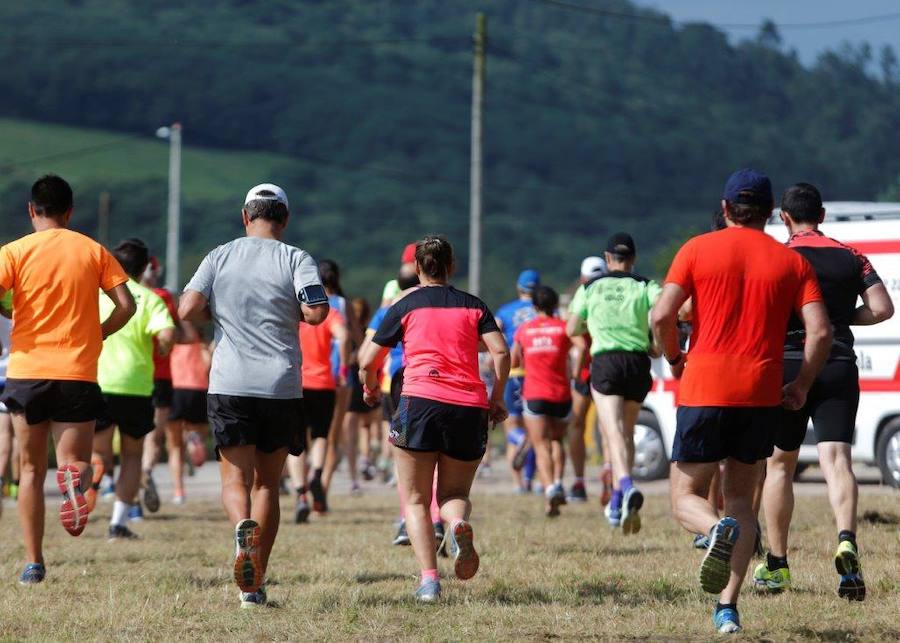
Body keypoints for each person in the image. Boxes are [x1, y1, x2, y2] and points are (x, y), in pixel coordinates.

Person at [651, 169, 832, 634]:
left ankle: (712, 532)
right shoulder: (791, 262)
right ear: (771, 213)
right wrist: (802, 385)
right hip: (760, 393)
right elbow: (821, 331)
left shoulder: (696, 249)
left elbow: (661, 313)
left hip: (705, 387)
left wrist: (674, 356)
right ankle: (728, 608)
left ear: (727, 208)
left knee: (685, 497)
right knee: (741, 503)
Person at [179, 183, 328, 609]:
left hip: (229, 383)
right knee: (267, 483)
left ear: (245, 217)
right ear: (284, 219)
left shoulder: (219, 255)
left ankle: (240, 529)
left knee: (235, 480)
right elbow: (316, 312)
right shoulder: (296, 258)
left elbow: (187, 308)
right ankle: (255, 582)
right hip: (280, 385)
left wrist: (219, 313)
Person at [753, 183, 893, 600]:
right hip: (837, 363)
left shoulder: (777, 257)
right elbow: (883, 308)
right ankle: (847, 541)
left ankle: (777, 564)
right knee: (837, 459)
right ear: (824, 215)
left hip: (789, 363)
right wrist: (841, 319)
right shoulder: (851, 256)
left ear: (784, 217)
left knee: (780, 464)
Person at [358, 235, 510, 603]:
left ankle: (429, 581)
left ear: (417, 269)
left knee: (413, 499)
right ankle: (457, 524)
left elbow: (367, 360)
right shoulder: (473, 305)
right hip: (468, 406)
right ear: (451, 266)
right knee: (454, 494)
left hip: (419, 403)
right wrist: (497, 398)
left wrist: (370, 388)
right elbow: (501, 352)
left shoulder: (404, 305)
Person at [0, 175, 135, 584]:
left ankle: (33, 563)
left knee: (29, 470)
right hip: (76, 372)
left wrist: (12, 314)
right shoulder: (92, 250)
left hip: (26, 372)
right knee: (75, 461)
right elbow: (127, 305)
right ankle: (76, 479)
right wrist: (102, 330)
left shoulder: (14, 252)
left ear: (31, 210)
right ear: (70, 211)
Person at [567, 233, 660, 534]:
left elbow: (572, 326)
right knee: (628, 432)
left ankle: (625, 484)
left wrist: (590, 321)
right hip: (637, 361)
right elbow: (664, 314)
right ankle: (619, 500)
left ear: (608, 259)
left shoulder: (591, 287)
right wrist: (656, 342)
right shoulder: (646, 285)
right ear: (633, 259)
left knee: (613, 432)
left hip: (606, 362)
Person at [94, 239, 177, 540]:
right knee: (132, 456)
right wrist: (165, 346)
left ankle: (93, 480)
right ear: (144, 269)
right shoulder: (149, 298)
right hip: (136, 386)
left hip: (98, 380)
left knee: (99, 451)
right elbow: (167, 334)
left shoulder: (98, 295)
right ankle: (118, 523)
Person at [289, 283, 349, 521]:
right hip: (324, 383)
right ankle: (316, 474)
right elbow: (343, 337)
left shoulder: (293, 315)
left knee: (296, 440)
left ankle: (301, 493)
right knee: (321, 435)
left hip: (296, 382)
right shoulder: (330, 314)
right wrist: (342, 368)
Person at [512, 286, 573, 517]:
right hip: (561, 394)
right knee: (557, 440)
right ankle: (557, 482)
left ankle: (548, 489)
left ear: (534, 306)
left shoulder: (524, 330)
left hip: (535, 394)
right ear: (556, 304)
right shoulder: (563, 328)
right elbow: (580, 347)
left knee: (540, 445)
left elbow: (515, 360)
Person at [138, 256, 180, 515]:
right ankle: (145, 471)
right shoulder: (162, 297)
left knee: (132, 438)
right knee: (154, 437)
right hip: (161, 375)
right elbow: (176, 333)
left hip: (130, 374)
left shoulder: (122, 295)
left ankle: (126, 497)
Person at [496, 270, 541, 493]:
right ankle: (530, 480)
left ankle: (517, 484)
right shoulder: (542, 311)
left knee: (511, 428)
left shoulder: (505, 311)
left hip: (513, 373)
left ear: (518, 287)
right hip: (537, 374)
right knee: (537, 431)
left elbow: (494, 332)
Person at [567, 256, 608, 503]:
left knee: (576, 424)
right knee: (609, 427)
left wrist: (576, 369)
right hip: (609, 366)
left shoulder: (583, 292)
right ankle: (610, 474)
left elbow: (573, 333)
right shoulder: (612, 289)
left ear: (583, 278)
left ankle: (579, 482)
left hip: (586, 370)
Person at [167, 321, 213, 505]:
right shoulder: (200, 344)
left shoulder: (170, 345)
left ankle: (179, 492)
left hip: (176, 390)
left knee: (174, 447)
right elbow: (208, 363)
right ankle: (194, 438)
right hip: (198, 390)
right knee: (198, 430)